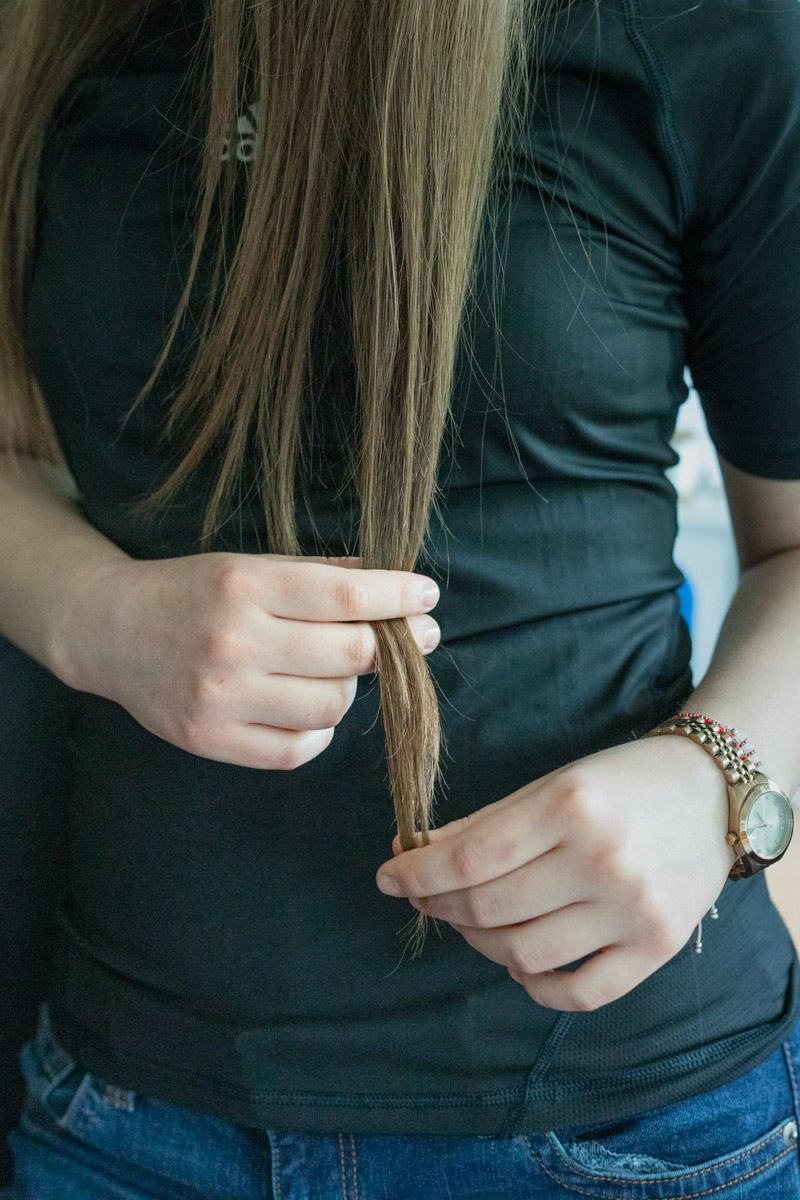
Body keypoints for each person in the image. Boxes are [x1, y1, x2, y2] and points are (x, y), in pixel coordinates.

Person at [1, 0, 800, 1195]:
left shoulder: (702, 30)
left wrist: (710, 781)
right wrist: (93, 615)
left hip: (625, 1127)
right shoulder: (58, 29)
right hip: (125, 1108)